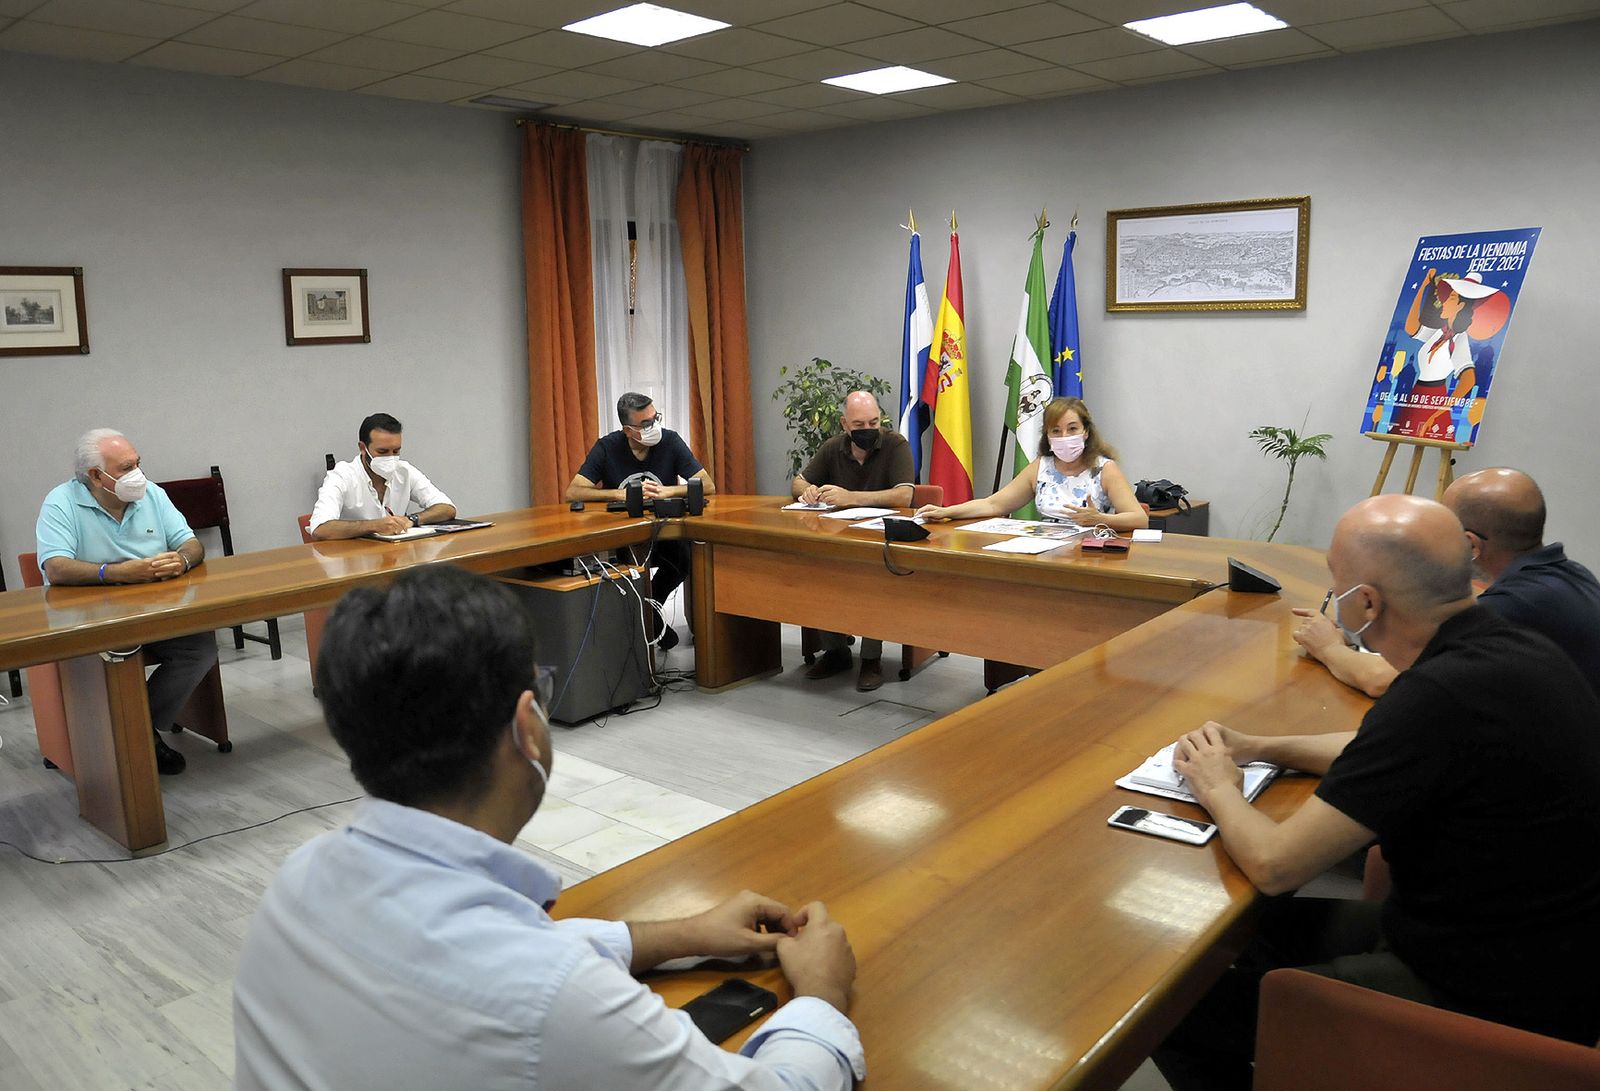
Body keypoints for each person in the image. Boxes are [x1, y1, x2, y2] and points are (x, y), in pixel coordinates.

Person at [234, 565, 862, 1090]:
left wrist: (681, 934)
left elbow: (492, 948)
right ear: (527, 723)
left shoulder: (297, 882)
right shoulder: (554, 998)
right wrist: (821, 996)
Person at [1151, 495, 1600, 1091]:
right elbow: (1386, 749)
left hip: (1486, 992)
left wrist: (1216, 785)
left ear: (1366, 603)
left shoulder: (1437, 695)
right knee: (1234, 944)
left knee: (1176, 1010)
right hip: (1543, 951)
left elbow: (1276, 864)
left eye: (1336, 588)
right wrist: (1262, 745)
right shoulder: (1509, 649)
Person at [1291, 467, 1600, 698]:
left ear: (1470, 545)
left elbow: (1388, 681)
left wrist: (1329, 648)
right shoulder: (1566, 575)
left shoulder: (1514, 605)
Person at [35, 428, 213, 775]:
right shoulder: (61, 502)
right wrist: (115, 572)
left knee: (201, 647)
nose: (137, 474)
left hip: (156, 612)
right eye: (125, 468)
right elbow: (55, 567)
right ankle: (129, 738)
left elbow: (191, 543)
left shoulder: (152, 495)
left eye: (137, 463)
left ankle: (137, 728)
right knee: (119, 653)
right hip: (91, 620)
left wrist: (183, 560)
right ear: (95, 476)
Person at [567, 392, 716, 650]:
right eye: (645, 424)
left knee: (686, 557)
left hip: (665, 533)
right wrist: (619, 494)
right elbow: (574, 491)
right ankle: (651, 620)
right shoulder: (607, 446)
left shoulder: (670, 441)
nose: (653, 426)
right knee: (623, 571)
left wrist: (670, 490)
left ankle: (650, 610)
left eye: (655, 418)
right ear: (628, 430)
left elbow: (708, 485)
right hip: (625, 537)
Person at [790, 390, 913, 692]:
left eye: (874, 422)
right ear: (845, 424)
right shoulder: (834, 447)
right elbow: (798, 481)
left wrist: (851, 498)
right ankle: (836, 652)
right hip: (840, 538)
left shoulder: (895, 445)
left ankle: (871, 659)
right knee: (818, 574)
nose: (868, 430)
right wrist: (806, 491)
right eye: (859, 425)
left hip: (882, 541)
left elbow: (905, 494)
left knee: (872, 581)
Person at [916, 396, 1148, 533]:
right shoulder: (1042, 467)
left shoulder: (1104, 469)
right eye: (1056, 431)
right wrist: (946, 512)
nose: (1064, 436)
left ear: (1086, 432)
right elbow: (994, 504)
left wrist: (1101, 519)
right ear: (1047, 435)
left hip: (1091, 553)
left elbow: (1139, 519)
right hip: (1044, 552)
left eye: (1072, 429)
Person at [309, 412, 456, 540]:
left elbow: (447, 508)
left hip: (396, 557)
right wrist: (375, 525)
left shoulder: (404, 471)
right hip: (351, 561)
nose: (391, 458)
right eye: (382, 452)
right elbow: (320, 529)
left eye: (396, 451)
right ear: (362, 448)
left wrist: (411, 520)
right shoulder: (341, 476)